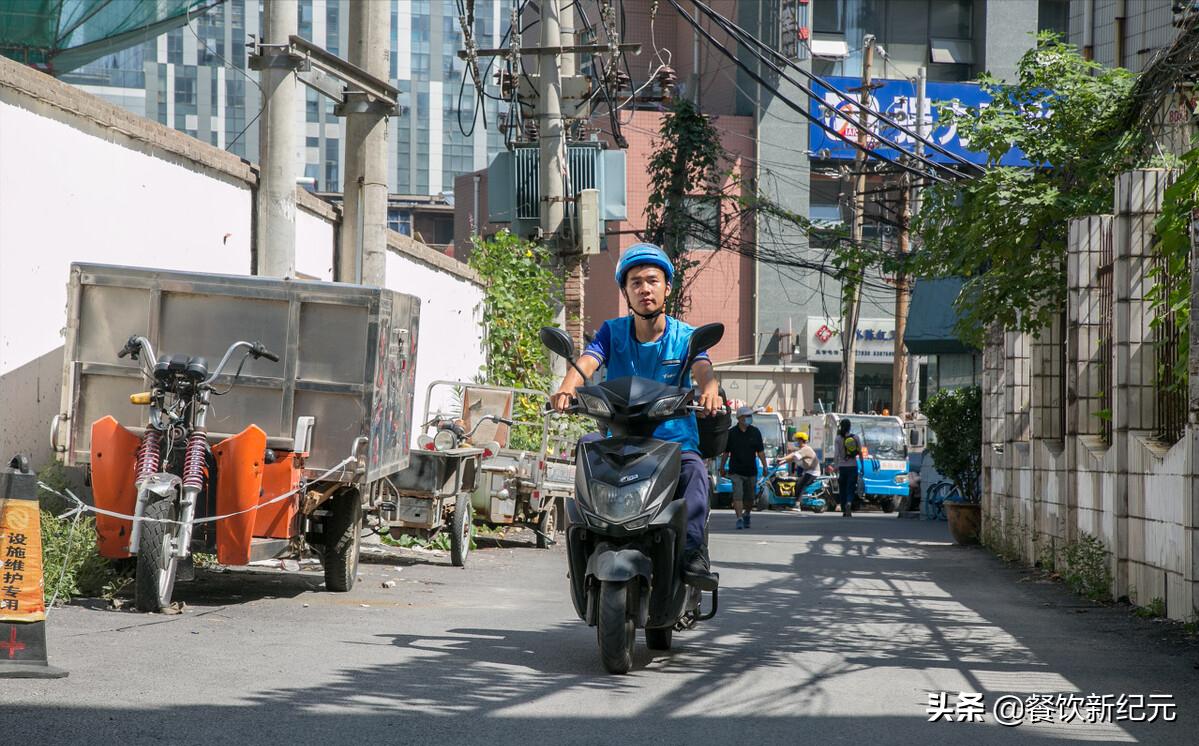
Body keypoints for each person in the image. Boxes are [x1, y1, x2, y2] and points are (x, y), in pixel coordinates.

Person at [551, 243, 722, 589]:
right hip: (622, 437)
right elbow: (587, 361)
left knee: (695, 471)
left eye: (652, 281)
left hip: (672, 442)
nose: (645, 288)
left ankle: (692, 552)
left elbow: (703, 368)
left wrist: (710, 389)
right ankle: (586, 541)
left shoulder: (685, 337)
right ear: (626, 292)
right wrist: (567, 385)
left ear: (667, 287)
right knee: (586, 445)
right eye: (636, 282)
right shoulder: (612, 332)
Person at [721, 406, 767, 529]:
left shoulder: (755, 432)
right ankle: (739, 518)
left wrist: (765, 466)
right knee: (737, 494)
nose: (749, 418)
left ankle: (747, 513)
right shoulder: (731, 433)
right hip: (736, 470)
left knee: (750, 497)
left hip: (751, 471)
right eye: (747, 416)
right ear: (740, 418)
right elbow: (726, 452)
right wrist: (721, 467)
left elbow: (761, 452)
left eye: (750, 416)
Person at [834, 418, 863, 517]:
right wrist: (862, 466)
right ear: (850, 427)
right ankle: (849, 503)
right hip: (853, 467)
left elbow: (836, 454)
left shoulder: (838, 438)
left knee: (842, 488)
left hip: (842, 467)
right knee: (850, 487)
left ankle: (844, 508)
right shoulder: (856, 437)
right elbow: (860, 453)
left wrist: (836, 466)